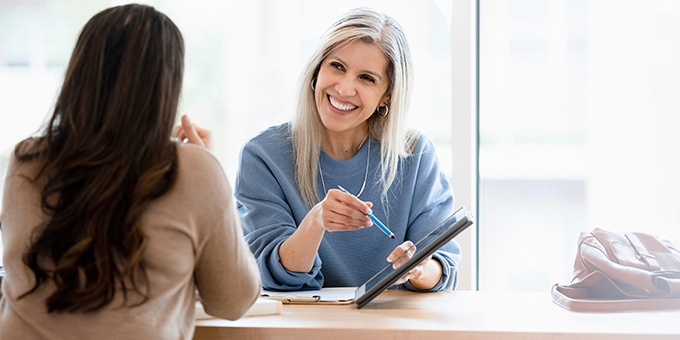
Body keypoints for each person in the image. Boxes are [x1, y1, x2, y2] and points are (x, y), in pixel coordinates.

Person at [0, 4, 260, 339]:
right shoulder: (194, 170)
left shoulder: (25, 161)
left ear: (78, 76)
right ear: (165, 87)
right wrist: (206, 174)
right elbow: (232, 302)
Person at [233, 7, 461, 291]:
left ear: (387, 95)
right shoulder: (263, 156)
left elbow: (442, 265)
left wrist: (419, 268)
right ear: (317, 69)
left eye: (367, 78)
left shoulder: (415, 155)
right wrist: (316, 221)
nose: (344, 88)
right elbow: (271, 273)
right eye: (337, 66)